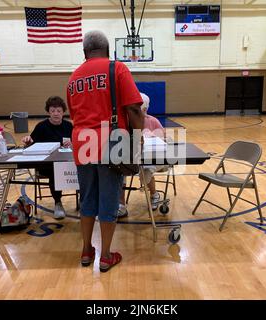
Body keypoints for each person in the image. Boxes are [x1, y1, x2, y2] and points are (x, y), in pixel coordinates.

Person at [66, 30, 144, 272]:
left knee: (87, 198)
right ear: (108, 50)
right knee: (109, 201)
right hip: (110, 142)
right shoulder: (117, 69)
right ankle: (107, 255)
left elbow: (74, 115)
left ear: (84, 52)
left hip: (82, 143)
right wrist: (138, 136)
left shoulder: (73, 78)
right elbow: (133, 108)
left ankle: (87, 250)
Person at [21, 96, 73, 220]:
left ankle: (83, 201)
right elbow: (31, 143)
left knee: (82, 168)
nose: (56, 113)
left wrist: (72, 142)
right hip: (46, 166)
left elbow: (77, 142)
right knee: (55, 169)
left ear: (63, 112)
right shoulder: (41, 126)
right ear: (48, 112)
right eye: (53, 111)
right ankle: (58, 203)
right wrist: (28, 141)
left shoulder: (69, 126)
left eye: (59, 111)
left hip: (66, 162)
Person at [118, 92, 167, 218]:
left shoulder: (153, 121)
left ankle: (154, 194)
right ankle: (121, 205)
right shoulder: (128, 123)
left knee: (146, 169)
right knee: (120, 170)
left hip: (155, 159)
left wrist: (154, 138)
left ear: (144, 109)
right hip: (135, 159)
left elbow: (165, 140)